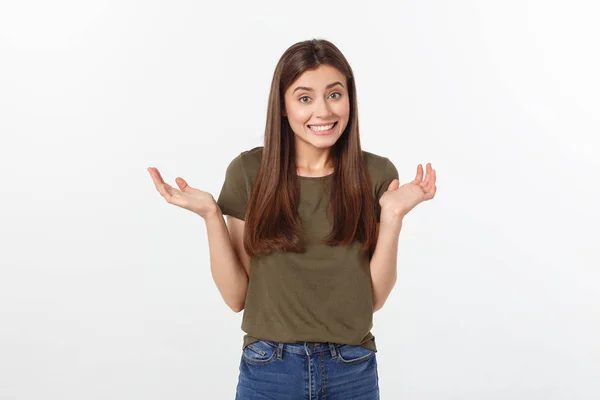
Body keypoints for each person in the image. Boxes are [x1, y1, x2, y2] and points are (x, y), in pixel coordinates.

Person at [148, 38, 437, 399]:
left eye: (335, 94)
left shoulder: (376, 173)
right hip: (269, 368)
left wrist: (392, 217)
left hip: (352, 368)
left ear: (350, 99)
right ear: (283, 107)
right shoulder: (249, 172)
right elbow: (237, 296)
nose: (323, 111)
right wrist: (211, 215)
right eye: (304, 98)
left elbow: (373, 299)